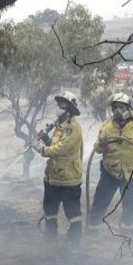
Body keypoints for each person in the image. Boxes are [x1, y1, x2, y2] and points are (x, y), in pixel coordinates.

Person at [88, 92, 133, 233]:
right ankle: (92, 231)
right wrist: (102, 143)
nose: (117, 111)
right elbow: (97, 149)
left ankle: (126, 234)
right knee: (100, 203)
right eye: (115, 107)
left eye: (121, 107)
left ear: (128, 108)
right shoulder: (106, 127)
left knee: (129, 204)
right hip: (110, 173)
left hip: (130, 173)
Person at [34, 91, 84, 245]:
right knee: (50, 213)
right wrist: (46, 139)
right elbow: (54, 145)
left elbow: (60, 150)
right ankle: (50, 242)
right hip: (52, 178)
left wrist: (40, 148)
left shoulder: (72, 128)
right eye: (58, 104)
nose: (58, 107)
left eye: (62, 104)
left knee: (73, 214)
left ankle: (73, 245)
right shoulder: (59, 126)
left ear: (69, 108)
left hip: (68, 180)